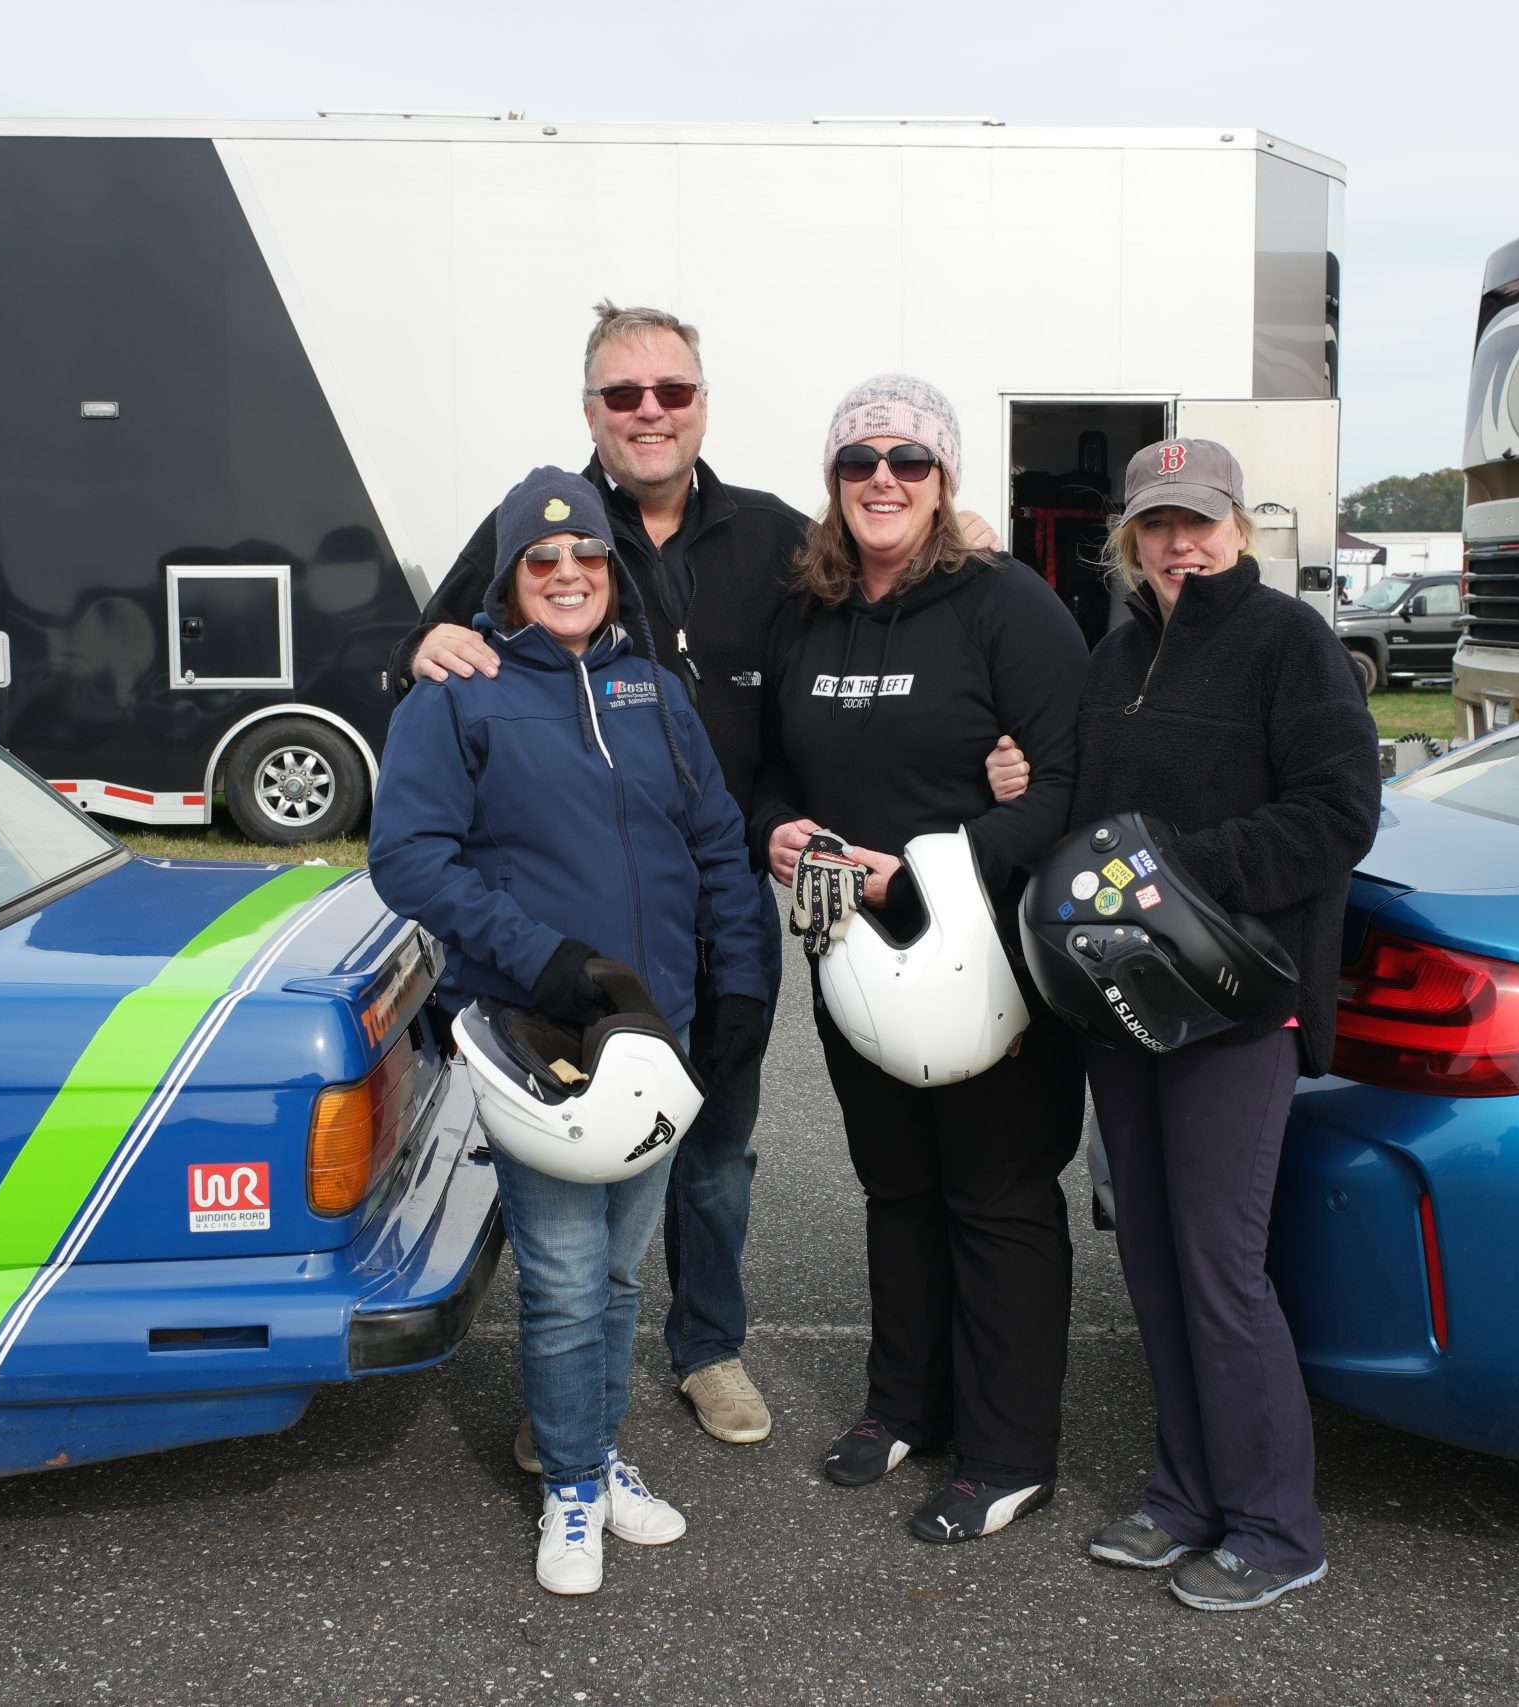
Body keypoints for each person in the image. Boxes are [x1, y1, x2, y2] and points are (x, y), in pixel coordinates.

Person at [390, 303, 1021, 1454]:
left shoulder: (778, 539)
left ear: (700, 404)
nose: (648, 412)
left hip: (720, 904)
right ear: (591, 410)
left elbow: (882, 609)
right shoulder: (545, 524)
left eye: (670, 392)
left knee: (715, 1150)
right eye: (622, 395)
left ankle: (707, 1348)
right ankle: (576, 1396)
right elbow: (438, 660)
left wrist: (959, 545)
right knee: (578, 1163)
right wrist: (420, 649)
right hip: (561, 931)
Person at [367, 467, 774, 1596]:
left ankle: (587, 1452)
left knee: (622, 1275)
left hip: (660, 1037)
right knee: (558, 1275)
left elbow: (716, 850)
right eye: (540, 562)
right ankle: (572, 1489)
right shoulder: (456, 695)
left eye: (585, 557)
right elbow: (405, 857)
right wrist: (543, 954)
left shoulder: (655, 692)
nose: (566, 574)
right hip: (540, 1032)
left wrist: (735, 988)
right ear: (506, 582)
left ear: (609, 571)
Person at [750, 374, 1089, 1545]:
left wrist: (935, 868)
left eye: (907, 461)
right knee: (894, 1186)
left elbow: (1066, 783)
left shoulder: (1005, 604)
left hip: (987, 956)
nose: (881, 480)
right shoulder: (808, 611)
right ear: (832, 485)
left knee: (994, 1197)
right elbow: (771, 765)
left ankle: (1006, 1451)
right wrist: (776, 830)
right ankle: (905, 1402)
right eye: (857, 463)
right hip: (848, 945)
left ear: (944, 480)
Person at [1067, 439, 1379, 1612]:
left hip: (1234, 999)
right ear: (1130, 537)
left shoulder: (1289, 643)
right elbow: (1087, 815)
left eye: (1198, 522)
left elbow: (1339, 812)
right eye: (1156, 525)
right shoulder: (1116, 653)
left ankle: (1274, 1525)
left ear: (1240, 527)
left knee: (1216, 1265)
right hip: (1127, 999)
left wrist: (1177, 874)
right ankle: (1183, 1495)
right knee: (1148, 1257)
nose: (1177, 543)